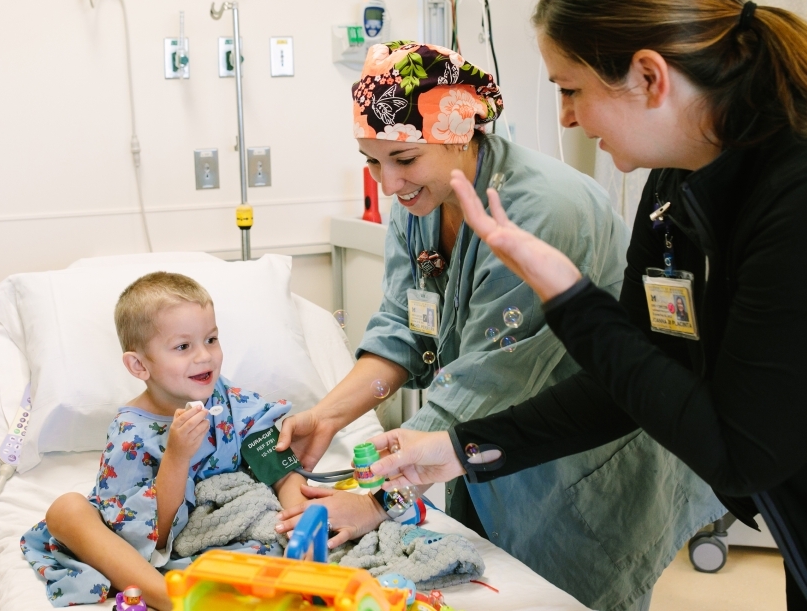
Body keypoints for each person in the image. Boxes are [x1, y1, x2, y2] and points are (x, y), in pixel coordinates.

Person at [365, 0, 807, 609]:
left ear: (648, 76)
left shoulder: (801, 194)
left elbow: (742, 453)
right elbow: (628, 380)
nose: (566, 117)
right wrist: (456, 451)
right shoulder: (676, 189)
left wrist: (570, 297)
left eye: (570, 89)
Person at [274, 41, 722, 611]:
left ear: (460, 132)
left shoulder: (541, 210)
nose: (388, 184)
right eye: (372, 161)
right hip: (483, 444)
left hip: (581, 452)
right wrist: (329, 415)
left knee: (577, 591)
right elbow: (404, 329)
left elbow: (490, 375)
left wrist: (378, 501)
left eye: (404, 159)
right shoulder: (419, 204)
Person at [21, 272, 306, 609]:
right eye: (183, 346)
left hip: (217, 531)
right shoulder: (131, 434)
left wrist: (298, 522)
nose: (205, 356)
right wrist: (176, 457)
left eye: (211, 339)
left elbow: (276, 463)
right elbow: (150, 533)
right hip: (151, 544)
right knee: (66, 511)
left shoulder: (227, 398)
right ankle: (168, 597)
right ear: (139, 365)